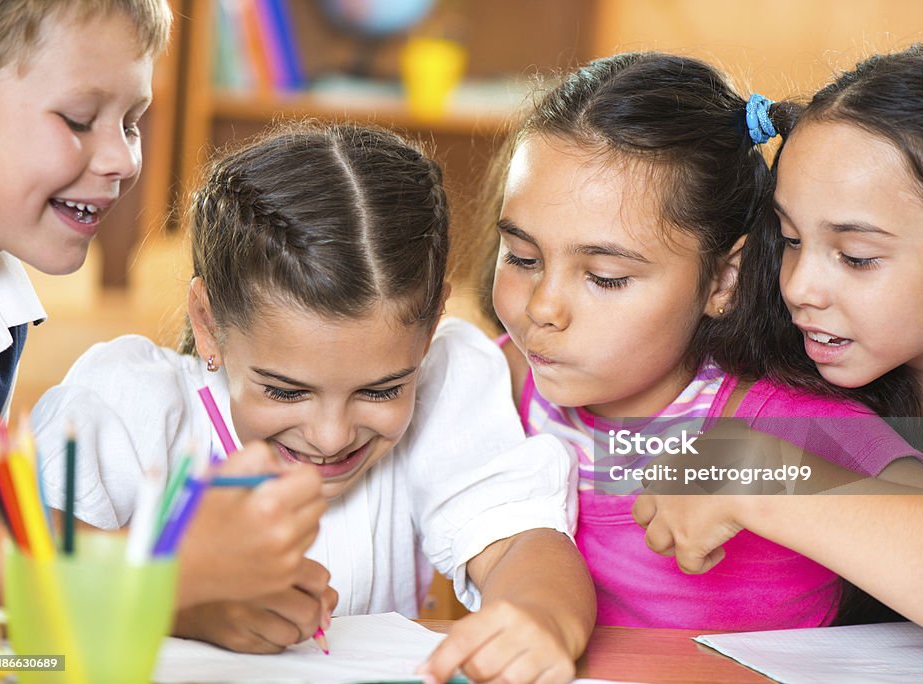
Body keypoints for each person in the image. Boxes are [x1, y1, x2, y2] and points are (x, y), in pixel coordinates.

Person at [31, 122, 595, 681]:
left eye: (380, 390)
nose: (331, 437)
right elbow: (15, 638)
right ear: (207, 323)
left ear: (428, 331)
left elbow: (523, 544)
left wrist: (538, 620)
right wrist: (182, 609)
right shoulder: (129, 406)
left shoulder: (446, 383)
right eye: (284, 391)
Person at [484, 51, 923, 631]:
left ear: (724, 279)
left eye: (606, 277)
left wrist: (769, 477)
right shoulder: (494, 381)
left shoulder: (785, 422)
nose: (542, 308)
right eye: (522, 257)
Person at [636, 44, 923, 648]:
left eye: (857, 258)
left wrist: (763, 478)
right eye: (788, 239)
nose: (799, 287)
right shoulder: (790, 403)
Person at [0, 0, 174, 602]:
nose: (121, 160)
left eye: (132, 121)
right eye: (79, 119)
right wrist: (163, 583)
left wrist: (159, 573)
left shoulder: (2, 311)